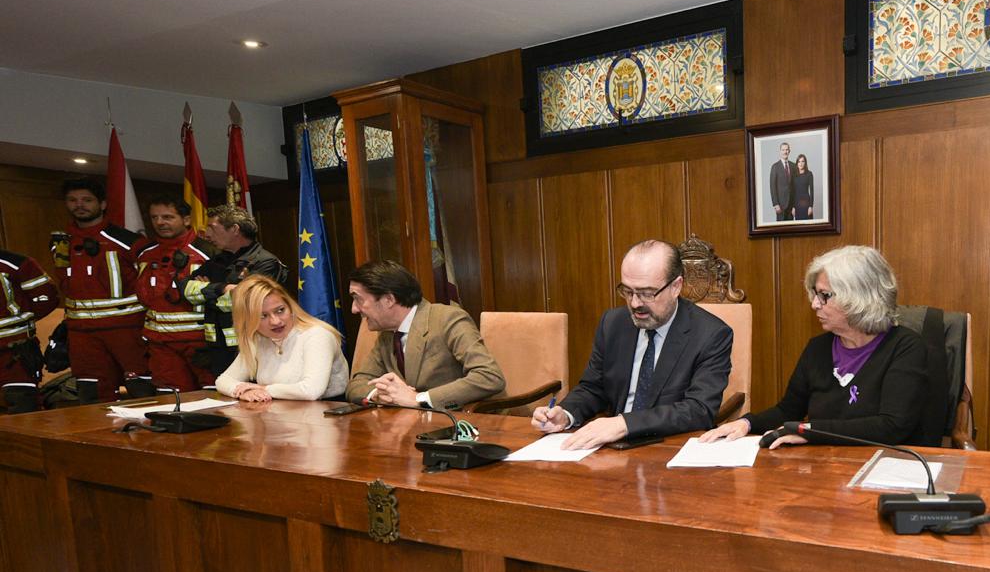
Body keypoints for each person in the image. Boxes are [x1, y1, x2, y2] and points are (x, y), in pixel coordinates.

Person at [700, 244, 933, 448]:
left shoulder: (906, 348)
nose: (814, 304)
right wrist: (746, 423)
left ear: (860, 297)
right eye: (815, 294)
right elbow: (788, 411)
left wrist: (810, 432)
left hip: (887, 469)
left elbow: (891, 426)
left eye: (824, 295)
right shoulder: (818, 349)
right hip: (826, 467)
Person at [531, 240, 732, 448]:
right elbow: (593, 387)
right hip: (611, 449)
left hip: (669, 447)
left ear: (675, 287)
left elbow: (698, 409)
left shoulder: (711, 334)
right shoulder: (613, 323)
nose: (635, 303)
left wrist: (625, 424)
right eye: (628, 291)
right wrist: (565, 414)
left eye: (646, 293)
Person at [345, 259, 504, 409]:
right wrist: (378, 395)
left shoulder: (447, 319)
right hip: (410, 425)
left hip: (461, 424)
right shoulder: (387, 333)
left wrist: (419, 399)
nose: (354, 309)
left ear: (388, 299)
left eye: (358, 299)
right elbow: (356, 384)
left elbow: (489, 376)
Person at [51, 178, 151, 400]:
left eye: (87, 200)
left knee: (143, 388)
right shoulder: (61, 243)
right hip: (81, 333)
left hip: (127, 330)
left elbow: (149, 286)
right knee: (91, 393)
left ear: (103, 204)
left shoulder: (129, 241)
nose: (79, 205)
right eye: (72, 200)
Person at [184, 204, 290, 379]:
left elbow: (249, 300)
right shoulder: (217, 261)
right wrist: (222, 288)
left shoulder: (265, 262)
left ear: (234, 229)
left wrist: (206, 293)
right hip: (217, 348)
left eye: (212, 227)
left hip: (252, 346)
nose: (206, 234)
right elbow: (185, 289)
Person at [214, 275, 349, 401]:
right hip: (281, 415)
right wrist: (242, 392)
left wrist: (264, 389)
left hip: (327, 415)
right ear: (248, 320)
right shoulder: (258, 339)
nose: (275, 321)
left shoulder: (317, 335)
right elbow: (223, 380)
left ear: (290, 307)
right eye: (263, 316)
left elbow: (311, 390)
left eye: (280, 310)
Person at [134, 196, 212, 390]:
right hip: (160, 345)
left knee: (212, 398)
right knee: (171, 399)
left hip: (201, 342)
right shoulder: (145, 253)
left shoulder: (209, 252)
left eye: (168, 217)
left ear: (186, 220)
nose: (160, 223)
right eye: (155, 218)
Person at [0, 246, 60, 411]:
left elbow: (48, 297)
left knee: (23, 405)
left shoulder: (15, 263)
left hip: (13, 350)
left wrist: (21, 321)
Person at [769, 142, 796, 221]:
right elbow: (772, 186)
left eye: (787, 150)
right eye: (783, 150)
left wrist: (795, 205)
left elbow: (795, 187)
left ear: (789, 151)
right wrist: (775, 204)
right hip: (780, 205)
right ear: (780, 151)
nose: (785, 152)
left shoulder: (793, 166)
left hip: (791, 205)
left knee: (791, 230)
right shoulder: (775, 167)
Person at [793, 153, 815, 220]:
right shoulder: (794, 175)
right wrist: (793, 207)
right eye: (799, 161)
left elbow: (812, 191)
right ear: (797, 163)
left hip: (806, 204)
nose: (801, 163)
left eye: (802, 161)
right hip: (797, 205)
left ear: (805, 163)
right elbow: (793, 192)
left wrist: (811, 206)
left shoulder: (809, 174)